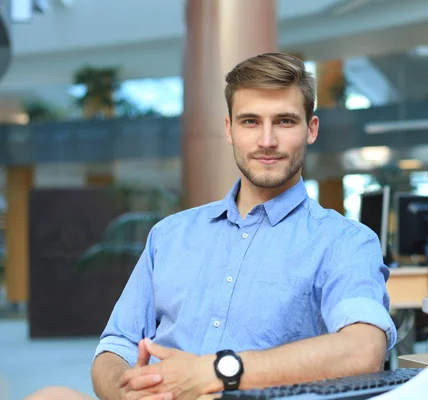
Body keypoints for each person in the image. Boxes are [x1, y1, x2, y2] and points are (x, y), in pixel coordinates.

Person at [27, 52, 397, 400]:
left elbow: (363, 349)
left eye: (284, 121)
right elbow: (116, 345)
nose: (267, 141)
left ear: (310, 129)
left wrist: (219, 371)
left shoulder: (344, 241)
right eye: (250, 121)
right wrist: (126, 388)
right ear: (229, 129)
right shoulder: (170, 235)